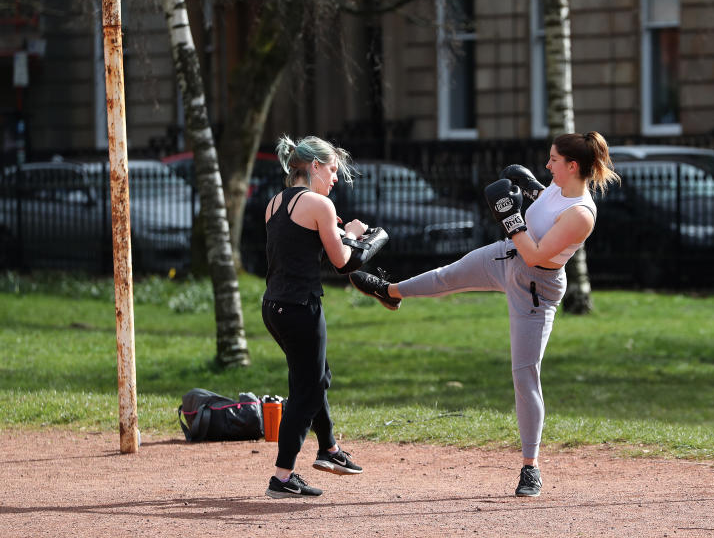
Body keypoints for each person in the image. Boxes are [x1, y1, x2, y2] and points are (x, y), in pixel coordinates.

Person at [349, 131, 619, 498]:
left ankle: (530, 468)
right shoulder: (557, 187)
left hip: (535, 288)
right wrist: (531, 191)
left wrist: (510, 217)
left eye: (553, 160)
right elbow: (543, 209)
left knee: (525, 376)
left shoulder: (582, 214)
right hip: (506, 256)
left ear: (572, 166)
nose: (547, 164)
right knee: (448, 276)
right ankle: (390, 292)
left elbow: (537, 254)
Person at [261, 134, 367, 499]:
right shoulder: (318, 204)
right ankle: (283, 475)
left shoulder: (274, 203)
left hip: (273, 306)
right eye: (333, 170)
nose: (335, 177)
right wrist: (352, 234)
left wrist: (332, 232)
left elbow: (302, 254)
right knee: (308, 388)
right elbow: (342, 263)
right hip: (300, 307)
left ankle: (330, 450)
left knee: (314, 375)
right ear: (316, 167)